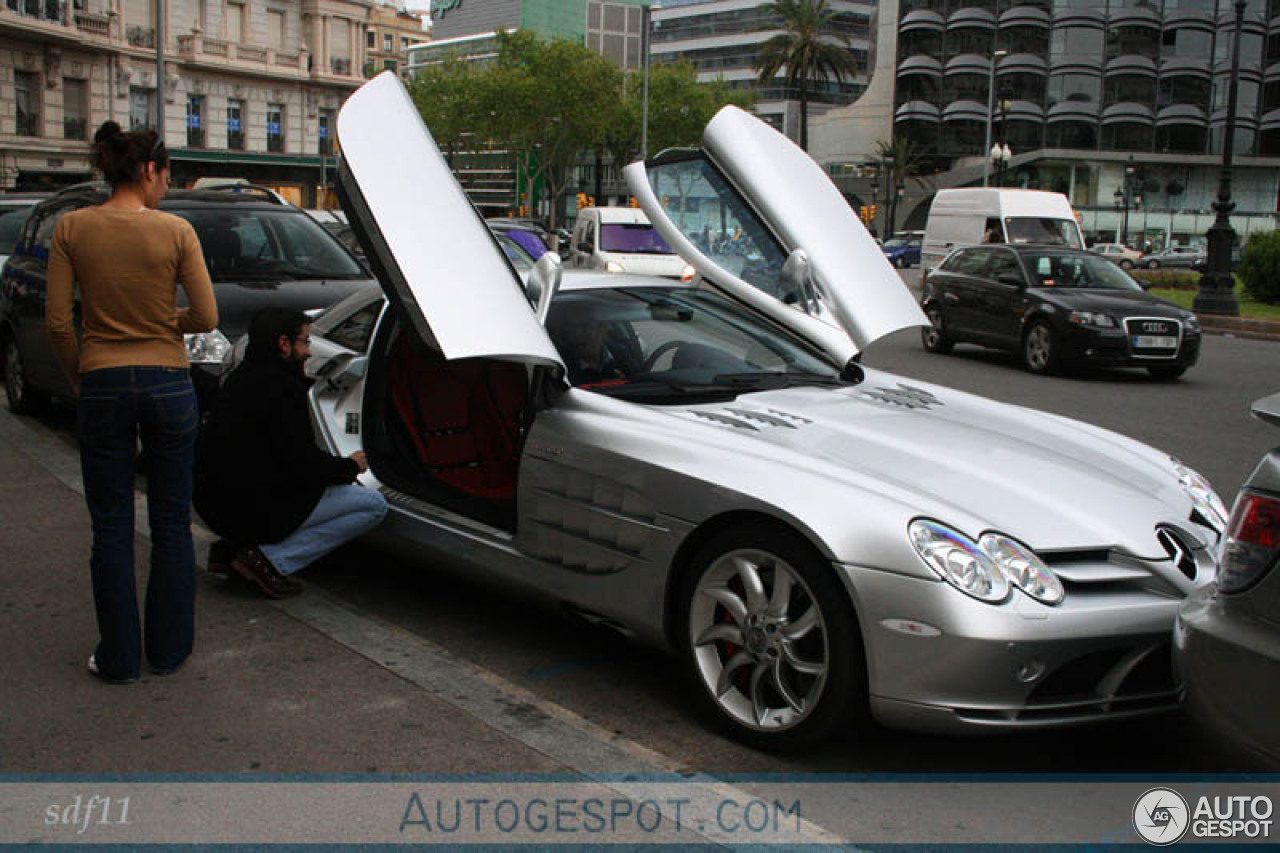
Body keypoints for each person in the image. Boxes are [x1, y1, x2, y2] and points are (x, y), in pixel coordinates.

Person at [47, 121, 218, 684]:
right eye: (166, 175)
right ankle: (168, 652)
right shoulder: (175, 232)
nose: (167, 186)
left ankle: (119, 658)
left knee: (112, 524)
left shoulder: (72, 227)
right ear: (149, 170)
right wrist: (160, 322)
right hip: (169, 382)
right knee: (172, 521)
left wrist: (79, 374)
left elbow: (57, 323)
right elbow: (206, 318)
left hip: (102, 380)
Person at [194, 307, 387, 599]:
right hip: (255, 508)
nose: (309, 352)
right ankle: (270, 559)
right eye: (305, 342)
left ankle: (235, 548)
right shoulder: (283, 391)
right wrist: (349, 467)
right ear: (284, 344)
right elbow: (302, 465)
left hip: (214, 505)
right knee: (372, 505)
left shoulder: (241, 378)